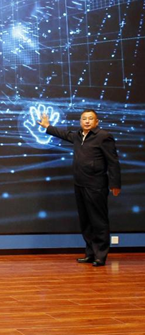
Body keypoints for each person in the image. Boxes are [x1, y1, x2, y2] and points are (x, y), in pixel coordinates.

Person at [39, 109, 121, 266]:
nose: (87, 121)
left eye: (90, 118)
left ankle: (100, 256)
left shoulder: (104, 136)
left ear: (96, 122)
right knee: (86, 221)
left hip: (96, 185)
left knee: (98, 221)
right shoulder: (78, 136)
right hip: (79, 184)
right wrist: (47, 126)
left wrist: (115, 184)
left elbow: (113, 162)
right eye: (84, 118)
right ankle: (90, 253)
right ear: (80, 121)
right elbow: (64, 134)